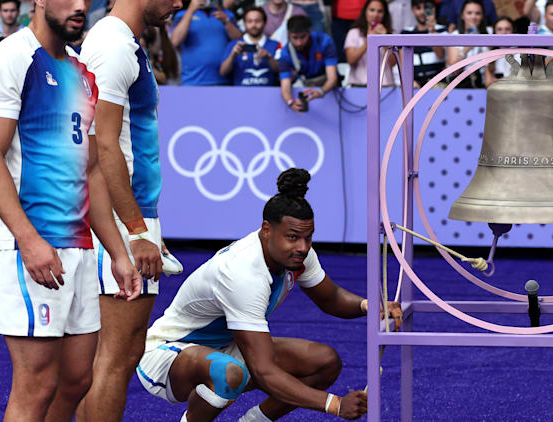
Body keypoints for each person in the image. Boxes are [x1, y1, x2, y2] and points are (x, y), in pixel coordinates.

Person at [0, 0, 140, 421]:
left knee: (76, 380)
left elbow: (90, 173)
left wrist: (119, 253)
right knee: (37, 383)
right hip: (28, 245)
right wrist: (30, 242)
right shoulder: (10, 59)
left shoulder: (82, 71)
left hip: (81, 249)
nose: (81, 4)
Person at [135, 168, 401, 422]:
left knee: (325, 362)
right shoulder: (242, 274)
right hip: (168, 355)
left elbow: (331, 299)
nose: (302, 247)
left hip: (226, 347)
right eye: (293, 237)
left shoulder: (298, 255)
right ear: (266, 230)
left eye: (308, 238)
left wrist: (371, 306)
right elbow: (264, 371)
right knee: (228, 372)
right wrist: (335, 404)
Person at [77, 0, 191, 422]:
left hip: (123, 216)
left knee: (103, 362)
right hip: (125, 221)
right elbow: (102, 147)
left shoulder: (120, 42)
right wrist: (138, 231)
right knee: (116, 361)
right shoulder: (113, 47)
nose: (179, 1)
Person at [169, 0, 243, 86]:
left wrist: (227, 22)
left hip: (224, 81)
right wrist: (191, 10)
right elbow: (175, 41)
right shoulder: (183, 15)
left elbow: (240, 40)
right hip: (193, 81)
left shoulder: (227, 15)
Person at [277, 15, 338, 113]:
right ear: (288, 34)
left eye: (302, 37)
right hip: (304, 84)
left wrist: (321, 91)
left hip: (330, 88)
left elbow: (332, 78)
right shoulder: (285, 53)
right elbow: (285, 87)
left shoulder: (324, 41)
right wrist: (290, 102)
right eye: (295, 38)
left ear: (309, 32)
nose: (299, 42)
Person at [222, 7, 283, 87]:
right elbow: (223, 72)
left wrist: (269, 58)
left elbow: (283, 71)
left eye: (257, 21)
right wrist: (232, 55)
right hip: (241, 95)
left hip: (268, 95)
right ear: (244, 24)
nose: (254, 25)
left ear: (265, 23)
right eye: (250, 21)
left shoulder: (276, 45)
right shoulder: (234, 45)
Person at [343, 0, 393, 87]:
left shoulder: (390, 34)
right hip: (359, 85)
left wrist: (385, 38)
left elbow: (393, 63)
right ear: (365, 12)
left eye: (380, 11)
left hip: (385, 85)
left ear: (385, 14)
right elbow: (351, 60)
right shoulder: (354, 33)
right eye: (372, 10)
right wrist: (369, 40)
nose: (375, 15)